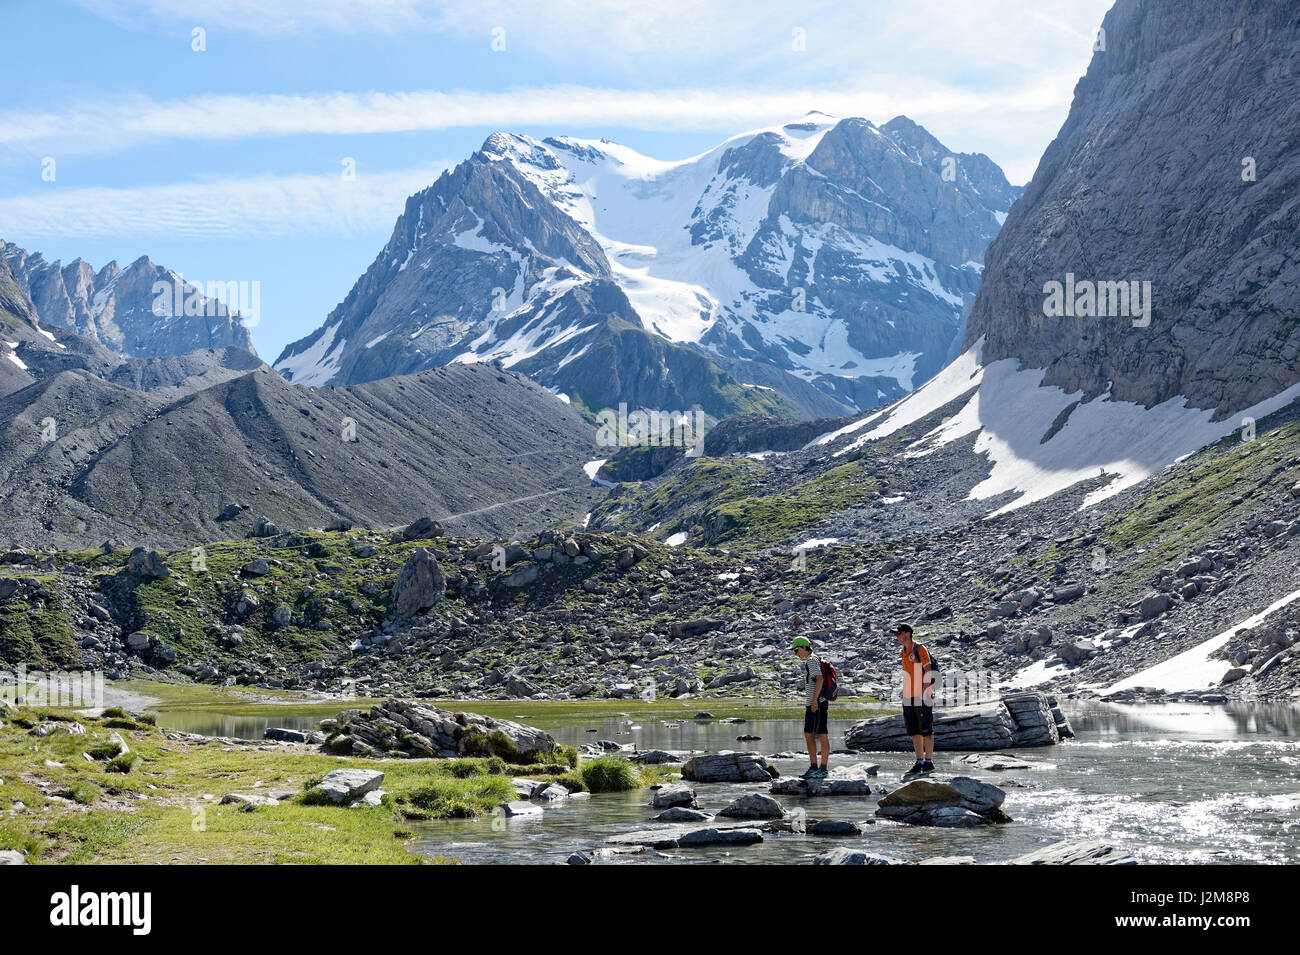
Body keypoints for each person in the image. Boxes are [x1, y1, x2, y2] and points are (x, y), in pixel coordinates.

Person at [895, 624, 935, 775]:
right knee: (914, 730)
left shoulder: (920, 649)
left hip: (922, 695)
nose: (897, 637)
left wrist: (923, 692)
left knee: (926, 729)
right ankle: (919, 761)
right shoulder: (903, 652)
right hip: (908, 696)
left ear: (907, 633)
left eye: (899, 633)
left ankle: (929, 762)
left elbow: (929, 671)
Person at [792, 636, 830, 778]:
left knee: (820, 734)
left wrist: (814, 701)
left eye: (796, 650)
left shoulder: (812, 660)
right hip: (816, 702)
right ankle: (815, 767)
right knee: (810, 734)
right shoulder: (814, 659)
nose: (796, 654)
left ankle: (821, 769)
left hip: (817, 703)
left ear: (803, 647)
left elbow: (819, 679)